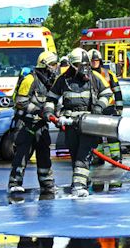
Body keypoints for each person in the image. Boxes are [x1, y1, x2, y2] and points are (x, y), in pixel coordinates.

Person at [43, 48, 113, 197]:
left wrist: (99, 106)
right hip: (70, 124)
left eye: (85, 64)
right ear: (72, 65)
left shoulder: (95, 77)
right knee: (75, 155)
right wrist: (49, 112)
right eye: (79, 65)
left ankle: (78, 186)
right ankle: (83, 182)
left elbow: (107, 93)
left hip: (89, 123)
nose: (83, 68)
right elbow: (51, 99)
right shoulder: (63, 79)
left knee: (83, 155)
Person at [8, 51, 59, 195]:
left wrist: (58, 115)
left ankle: (46, 183)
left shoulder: (51, 81)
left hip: (41, 125)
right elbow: (21, 102)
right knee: (22, 155)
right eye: (53, 64)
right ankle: (15, 183)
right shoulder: (30, 79)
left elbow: (54, 101)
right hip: (25, 124)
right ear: (45, 65)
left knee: (44, 154)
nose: (55, 67)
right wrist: (39, 111)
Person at [87, 49, 124, 115]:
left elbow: (117, 91)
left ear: (100, 61)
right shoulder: (86, 75)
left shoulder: (108, 73)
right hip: (92, 109)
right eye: (92, 61)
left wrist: (119, 108)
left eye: (96, 60)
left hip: (108, 108)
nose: (95, 62)